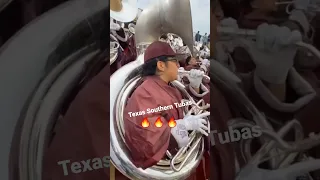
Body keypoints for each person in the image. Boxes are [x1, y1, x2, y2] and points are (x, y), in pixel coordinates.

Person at [123, 41, 210, 179]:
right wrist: (183, 126)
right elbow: (144, 137)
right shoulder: (145, 93)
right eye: (175, 61)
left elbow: (187, 107)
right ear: (161, 65)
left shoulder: (169, 86)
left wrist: (195, 88)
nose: (179, 65)